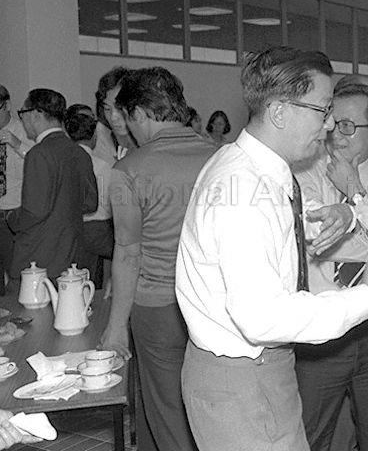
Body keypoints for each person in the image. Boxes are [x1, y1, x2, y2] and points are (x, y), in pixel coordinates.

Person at [175, 46, 368, 451]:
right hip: (244, 375)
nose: (330, 124)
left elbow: (268, 235)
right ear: (280, 112)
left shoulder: (254, 168)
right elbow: (262, 317)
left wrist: (328, 220)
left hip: (255, 372)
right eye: (323, 110)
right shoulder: (246, 189)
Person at [98, 67, 217, 451]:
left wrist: (116, 326)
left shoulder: (129, 170)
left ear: (140, 114)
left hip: (158, 306)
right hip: (214, 303)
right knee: (203, 406)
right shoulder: (220, 158)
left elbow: (128, 252)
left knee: (167, 410)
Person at [294, 82, 368, 451]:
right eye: (331, 121)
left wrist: (355, 198)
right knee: (312, 435)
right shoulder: (304, 177)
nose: (335, 132)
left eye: (348, 125)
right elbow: (316, 242)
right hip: (320, 328)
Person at [6, 89, 97, 285]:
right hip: (71, 254)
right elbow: (91, 203)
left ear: (36, 114)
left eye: (23, 114)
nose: (22, 120)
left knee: (30, 313)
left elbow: (35, 211)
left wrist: (12, 218)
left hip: (39, 258)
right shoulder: (79, 153)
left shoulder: (39, 154)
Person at [63, 104, 113, 289]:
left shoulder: (63, 164)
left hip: (70, 230)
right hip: (98, 231)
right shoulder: (104, 165)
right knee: (94, 283)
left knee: (72, 281)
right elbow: (110, 202)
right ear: (95, 136)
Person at [0, 85, 35, 290]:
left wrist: (16, 144)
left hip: (14, 211)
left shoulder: (23, 130)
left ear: (7, 105)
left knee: (16, 273)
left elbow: (38, 161)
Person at [94, 66, 137, 164]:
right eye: (107, 109)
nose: (113, 117)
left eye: (119, 108)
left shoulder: (152, 140)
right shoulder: (99, 138)